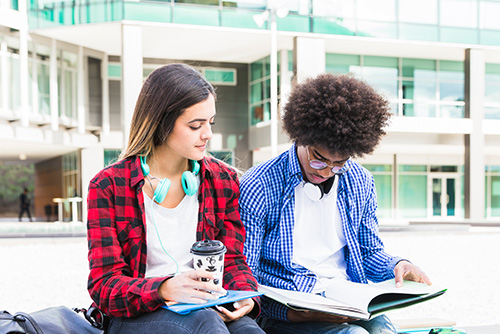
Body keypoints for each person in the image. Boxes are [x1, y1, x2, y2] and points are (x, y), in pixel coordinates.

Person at [239, 73, 432, 334]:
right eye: (318, 159)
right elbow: (244, 273)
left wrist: (397, 266)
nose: (326, 171)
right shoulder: (260, 184)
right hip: (288, 312)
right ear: (302, 137)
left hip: (346, 301)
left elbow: (369, 253)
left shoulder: (360, 181)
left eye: (339, 163)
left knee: (383, 330)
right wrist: (291, 314)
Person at [87, 63, 264, 334]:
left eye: (210, 122)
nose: (208, 134)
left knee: (248, 330)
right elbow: (104, 286)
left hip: (208, 304)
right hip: (139, 313)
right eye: (195, 125)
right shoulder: (109, 186)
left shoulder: (223, 179)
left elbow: (232, 260)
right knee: (205, 324)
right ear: (161, 122)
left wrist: (245, 294)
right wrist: (164, 288)